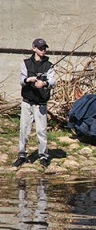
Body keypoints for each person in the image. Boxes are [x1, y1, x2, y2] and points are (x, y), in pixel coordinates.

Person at [13, 38, 56, 168]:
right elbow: (21, 80)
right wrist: (29, 79)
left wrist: (44, 83)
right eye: (40, 48)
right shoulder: (25, 63)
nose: (43, 50)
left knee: (41, 131)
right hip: (27, 102)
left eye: (44, 48)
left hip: (41, 103)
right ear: (34, 48)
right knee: (24, 130)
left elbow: (53, 82)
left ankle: (43, 156)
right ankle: (22, 155)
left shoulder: (49, 65)